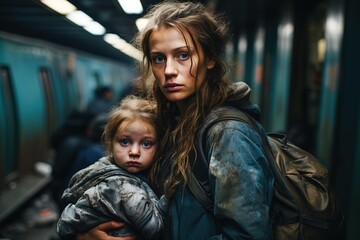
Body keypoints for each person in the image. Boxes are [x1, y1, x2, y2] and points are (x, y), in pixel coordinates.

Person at [75, 1, 274, 239]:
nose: (169, 70)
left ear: (209, 59)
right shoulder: (172, 123)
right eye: (158, 59)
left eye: (183, 55)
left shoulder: (228, 135)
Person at [57, 95, 167, 240]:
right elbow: (154, 229)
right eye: (125, 142)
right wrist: (170, 195)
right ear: (110, 143)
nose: (134, 152)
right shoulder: (123, 188)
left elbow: (65, 223)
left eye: (146, 144)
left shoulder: (100, 172)